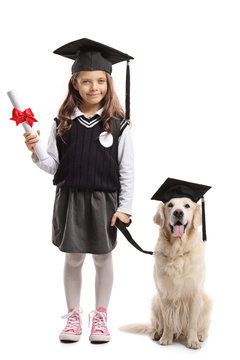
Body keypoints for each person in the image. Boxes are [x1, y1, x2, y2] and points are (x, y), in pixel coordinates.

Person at [23, 38, 134, 344]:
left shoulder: (118, 125)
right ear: (75, 82)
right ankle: (73, 315)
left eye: (100, 81)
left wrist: (124, 207)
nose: (93, 87)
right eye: (86, 81)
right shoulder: (62, 122)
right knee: (73, 259)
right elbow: (53, 166)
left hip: (104, 201)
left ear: (109, 83)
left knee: (102, 258)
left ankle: (100, 316)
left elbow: (127, 170)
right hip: (70, 200)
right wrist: (36, 153)